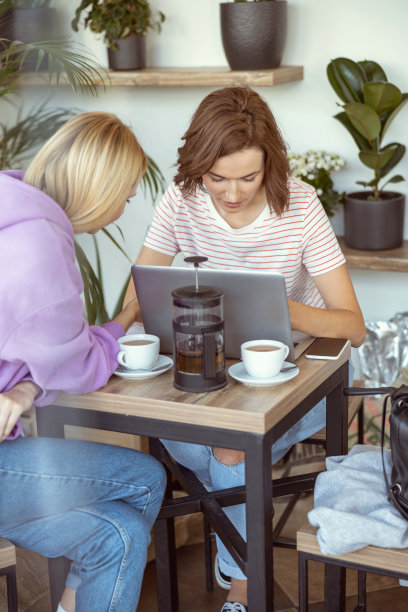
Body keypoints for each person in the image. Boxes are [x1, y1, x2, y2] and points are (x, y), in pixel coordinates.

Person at [123, 87, 366, 612]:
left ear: (269, 166)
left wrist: (276, 305)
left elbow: (353, 326)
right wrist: (109, 332)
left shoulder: (300, 206)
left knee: (231, 450)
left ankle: (241, 583)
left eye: (248, 178)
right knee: (209, 447)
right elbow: (138, 293)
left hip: (292, 377)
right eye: (216, 178)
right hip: (204, 372)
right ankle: (240, 541)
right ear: (197, 168)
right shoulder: (181, 197)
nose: (231, 194)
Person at [0, 112, 167, 612]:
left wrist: (27, 388)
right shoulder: (39, 244)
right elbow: (78, 365)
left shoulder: (11, 204)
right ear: (100, 187)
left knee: (117, 535)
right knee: (147, 477)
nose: (123, 208)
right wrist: (125, 321)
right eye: (126, 194)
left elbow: (37, 348)